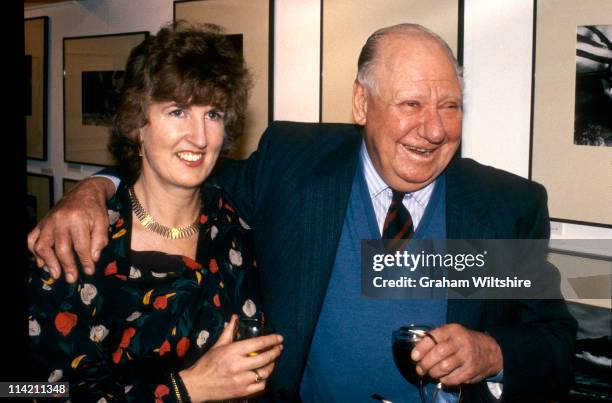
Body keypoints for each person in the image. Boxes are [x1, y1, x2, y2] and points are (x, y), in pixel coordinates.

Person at [29, 24, 576, 402]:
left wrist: (494, 350)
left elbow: (556, 343)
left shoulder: (504, 207)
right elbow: (28, 388)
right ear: (362, 103)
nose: (433, 129)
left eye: (450, 105)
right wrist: (95, 188)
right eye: (411, 104)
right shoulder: (290, 166)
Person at [27, 21, 284, 402]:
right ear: (137, 125)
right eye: (178, 111)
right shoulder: (75, 241)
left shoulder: (237, 227)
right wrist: (185, 390)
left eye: (212, 114)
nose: (199, 137)